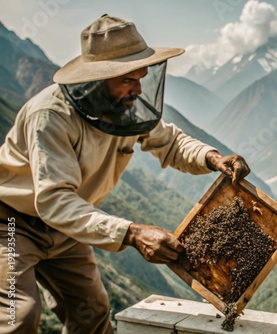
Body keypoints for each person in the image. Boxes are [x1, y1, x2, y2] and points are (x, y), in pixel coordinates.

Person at [0, 14, 250, 333]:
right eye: (127, 80)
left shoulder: (124, 108)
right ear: (97, 80)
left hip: (67, 230)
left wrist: (213, 157)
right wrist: (132, 233)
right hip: (11, 223)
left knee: (92, 313)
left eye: (141, 78)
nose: (138, 89)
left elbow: (169, 142)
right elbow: (54, 201)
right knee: (17, 318)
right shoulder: (49, 116)